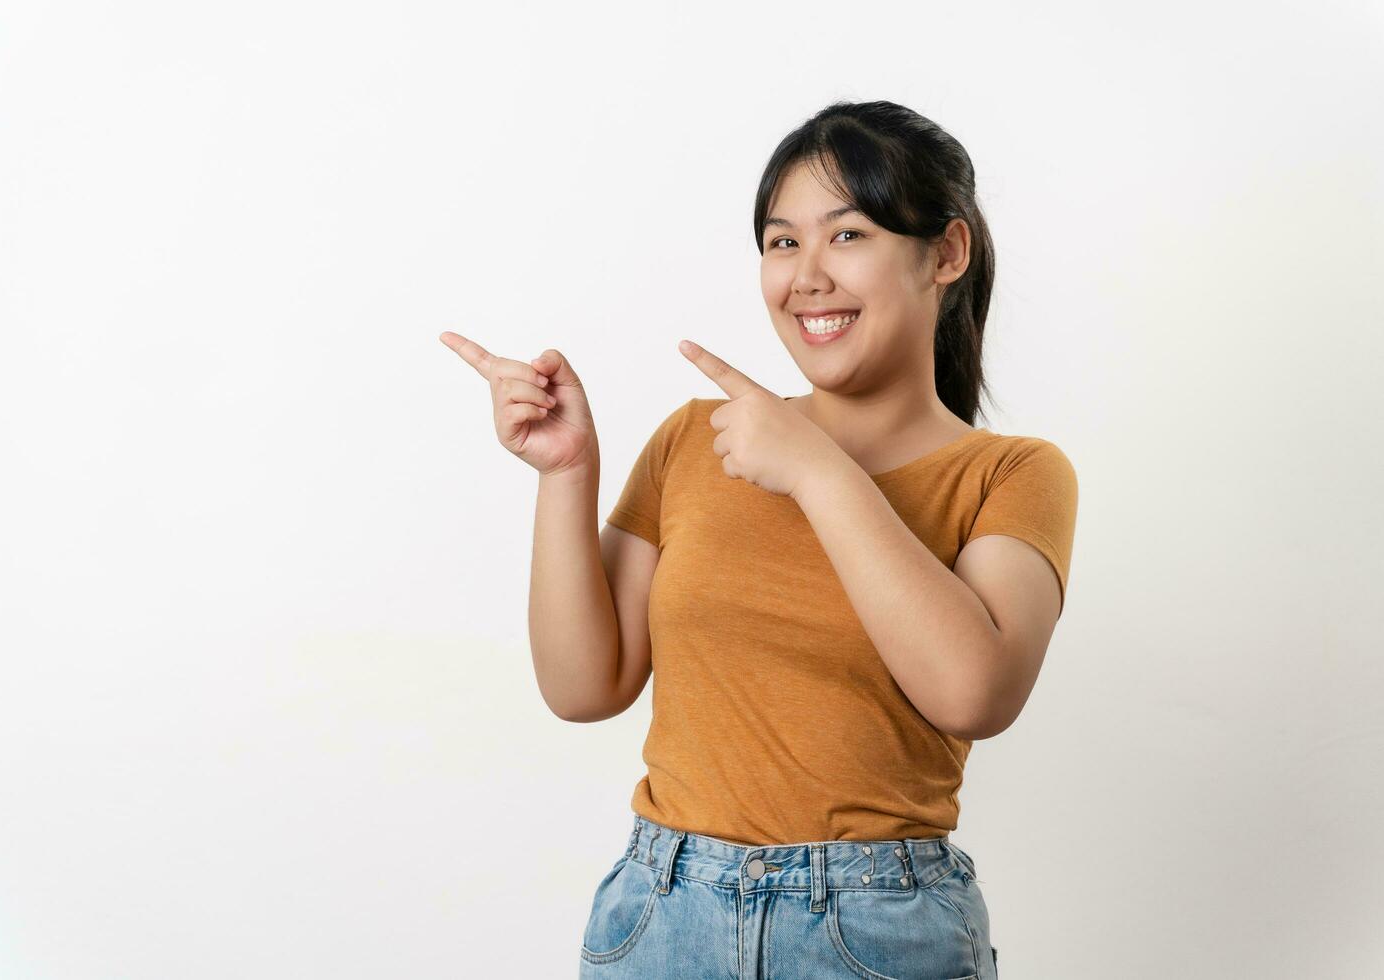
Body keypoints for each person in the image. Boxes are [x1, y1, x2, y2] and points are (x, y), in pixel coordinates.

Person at [441, 99, 1077, 979]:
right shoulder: (698, 441)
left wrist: (819, 472)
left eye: (847, 235)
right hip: (661, 917)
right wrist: (565, 475)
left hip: (875, 932)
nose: (806, 275)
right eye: (783, 242)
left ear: (947, 253)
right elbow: (583, 687)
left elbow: (976, 694)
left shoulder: (1013, 473)